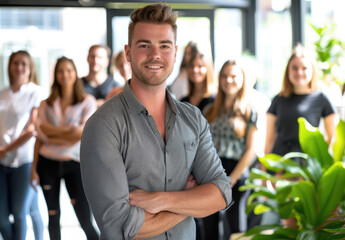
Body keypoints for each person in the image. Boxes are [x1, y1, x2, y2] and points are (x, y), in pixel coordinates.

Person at [80, 3, 232, 240]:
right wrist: (188, 200)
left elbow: (221, 193)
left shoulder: (193, 119)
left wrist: (162, 201)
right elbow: (119, 227)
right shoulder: (103, 125)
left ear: (175, 52)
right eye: (144, 45)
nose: (155, 55)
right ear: (128, 52)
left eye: (164, 45)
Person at [262, 44, 337, 225]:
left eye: (305, 68)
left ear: (312, 71)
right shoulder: (278, 100)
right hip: (283, 165)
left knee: (315, 220)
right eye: (294, 68)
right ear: (288, 70)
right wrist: (266, 173)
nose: (299, 72)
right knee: (290, 221)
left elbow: (333, 137)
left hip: (309, 165)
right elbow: (269, 139)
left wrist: (324, 167)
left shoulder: (321, 99)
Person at [30, 57, 99, 240]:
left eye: (69, 70)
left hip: (75, 165)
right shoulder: (47, 103)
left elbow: (82, 134)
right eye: (60, 70)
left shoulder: (87, 101)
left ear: (75, 73)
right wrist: (70, 130)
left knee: (84, 219)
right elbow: (41, 133)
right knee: (53, 217)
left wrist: (54, 133)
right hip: (47, 164)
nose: (65, 74)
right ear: (55, 75)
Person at [203, 60, 258, 239]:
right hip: (212, 171)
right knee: (209, 224)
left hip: (237, 173)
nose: (228, 80)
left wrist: (232, 179)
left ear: (242, 79)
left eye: (234, 76)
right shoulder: (209, 110)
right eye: (224, 76)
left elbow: (251, 150)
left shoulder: (250, 112)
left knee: (236, 226)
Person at [0, 50, 44, 240]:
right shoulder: (2, 94)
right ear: (9, 66)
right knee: (2, 217)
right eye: (15, 63)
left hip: (24, 159)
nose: (19, 67)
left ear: (30, 68)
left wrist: (6, 149)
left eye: (23, 64)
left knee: (20, 213)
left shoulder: (35, 92)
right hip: (1, 162)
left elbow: (31, 129)